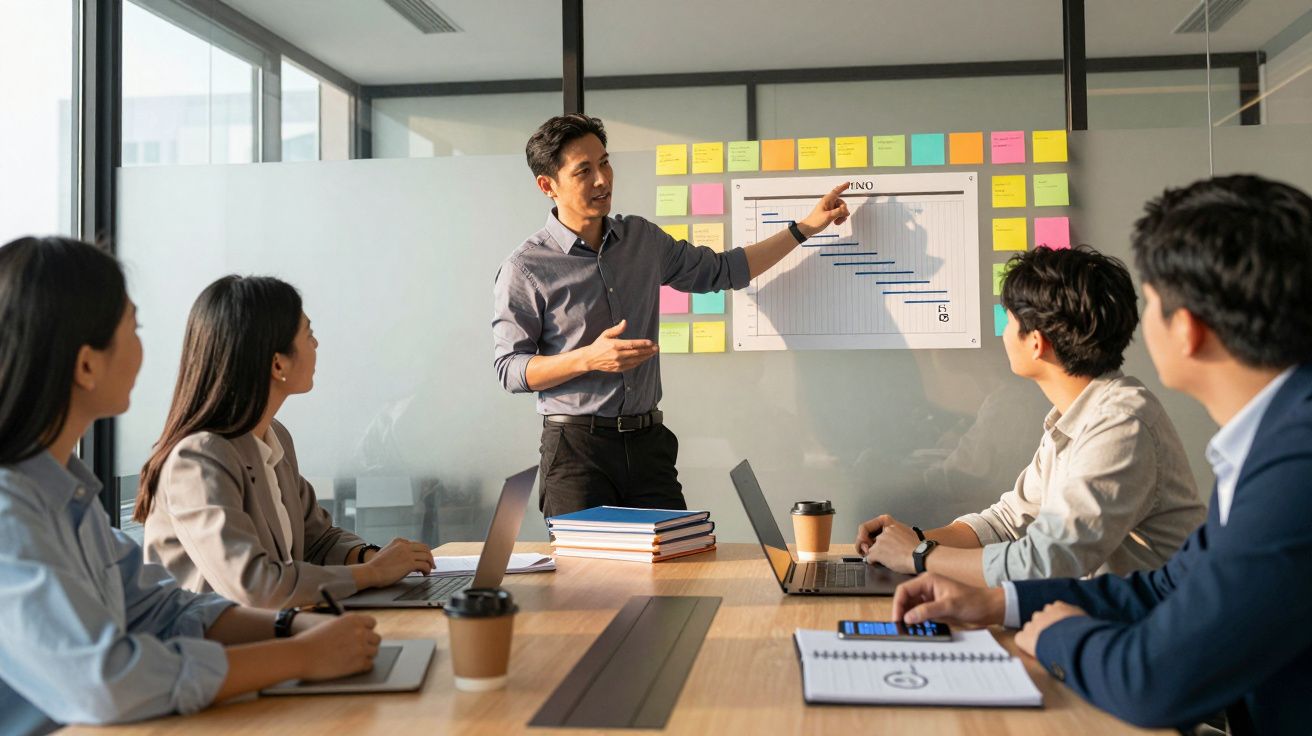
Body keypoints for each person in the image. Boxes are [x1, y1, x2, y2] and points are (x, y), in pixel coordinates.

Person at [890, 175, 1312, 734]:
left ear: (1185, 329)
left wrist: (1055, 629)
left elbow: (1157, 681)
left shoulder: (1292, 464)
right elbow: (1164, 586)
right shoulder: (1264, 445)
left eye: (1154, 301)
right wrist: (1000, 606)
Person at [0, 237, 380, 735]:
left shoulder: (67, 495)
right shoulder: (12, 513)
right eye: (133, 328)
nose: (144, 348)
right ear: (87, 365)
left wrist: (291, 627)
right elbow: (105, 681)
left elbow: (159, 608)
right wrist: (299, 656)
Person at [493, 114, 850, 517]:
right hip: (577, 452)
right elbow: (510, 369)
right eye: (584, 171)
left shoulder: (641, 239)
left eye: (605, 163)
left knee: (675, 570)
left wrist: (807, 227)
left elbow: (724, 270)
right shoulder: (526, 267)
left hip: (649, 446)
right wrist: (588, 358)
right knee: (585, 579)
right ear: (548, 186)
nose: (602, 180)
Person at [856, 246, 1204, 585]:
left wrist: (919, 556)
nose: (1003, 332)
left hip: (1149, 629)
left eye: (1007, 320)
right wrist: (911, 539)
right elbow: (1007, 521)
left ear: (1036, 342)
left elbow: (1050, 561)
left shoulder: (1122, 424)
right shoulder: (1075, 417)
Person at [137, 275, 434, 609]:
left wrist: (369, 556)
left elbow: (316, 539)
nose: (317, 344)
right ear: (278, 363)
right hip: (216, 654)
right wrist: (372, 573)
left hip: (277, 635)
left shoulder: (274, 437)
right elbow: (254, 585)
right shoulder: (197, 460)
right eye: (308, 334)